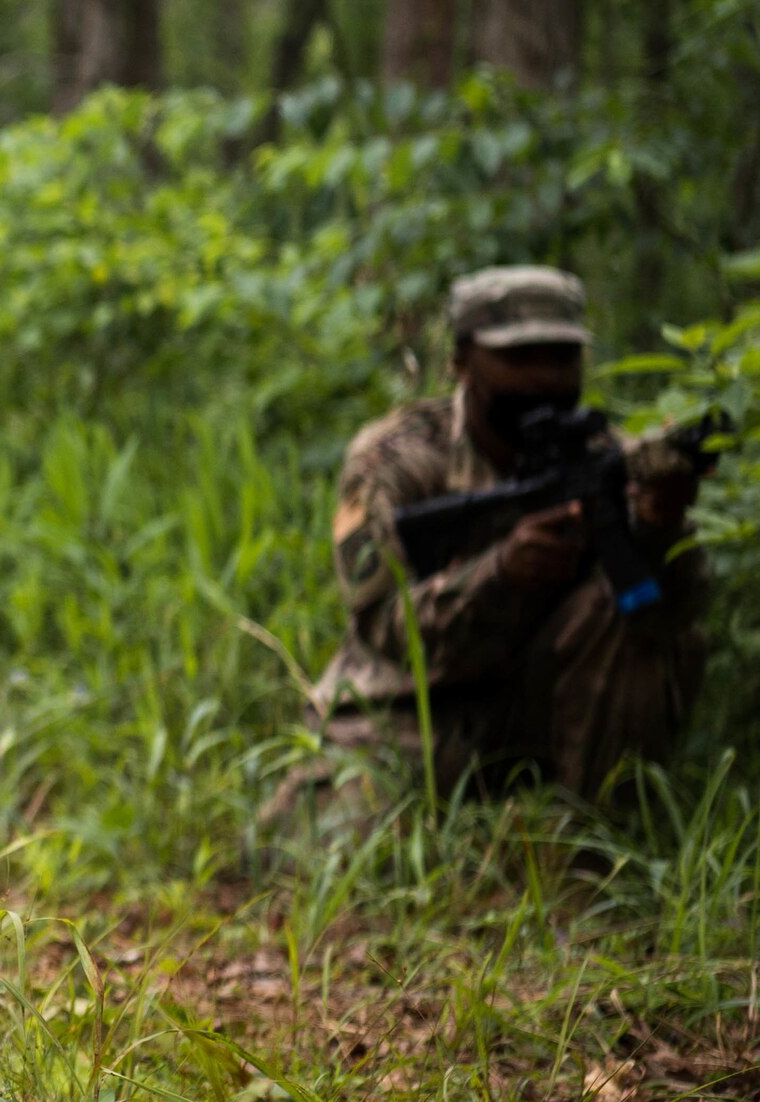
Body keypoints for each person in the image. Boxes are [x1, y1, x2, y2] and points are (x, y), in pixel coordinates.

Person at [271, 266, 709, 824]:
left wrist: (659, 523)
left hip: (549, 704)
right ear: (460, 361)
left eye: (561, 357)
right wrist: (499, 573)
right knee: (302, 846)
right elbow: (381, 620)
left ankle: (599, 853)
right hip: (412, 708)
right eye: (520, 358)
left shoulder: (606, 457)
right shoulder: (395, 461)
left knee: (622, 615)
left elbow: (673, 617)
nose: (544, 379)